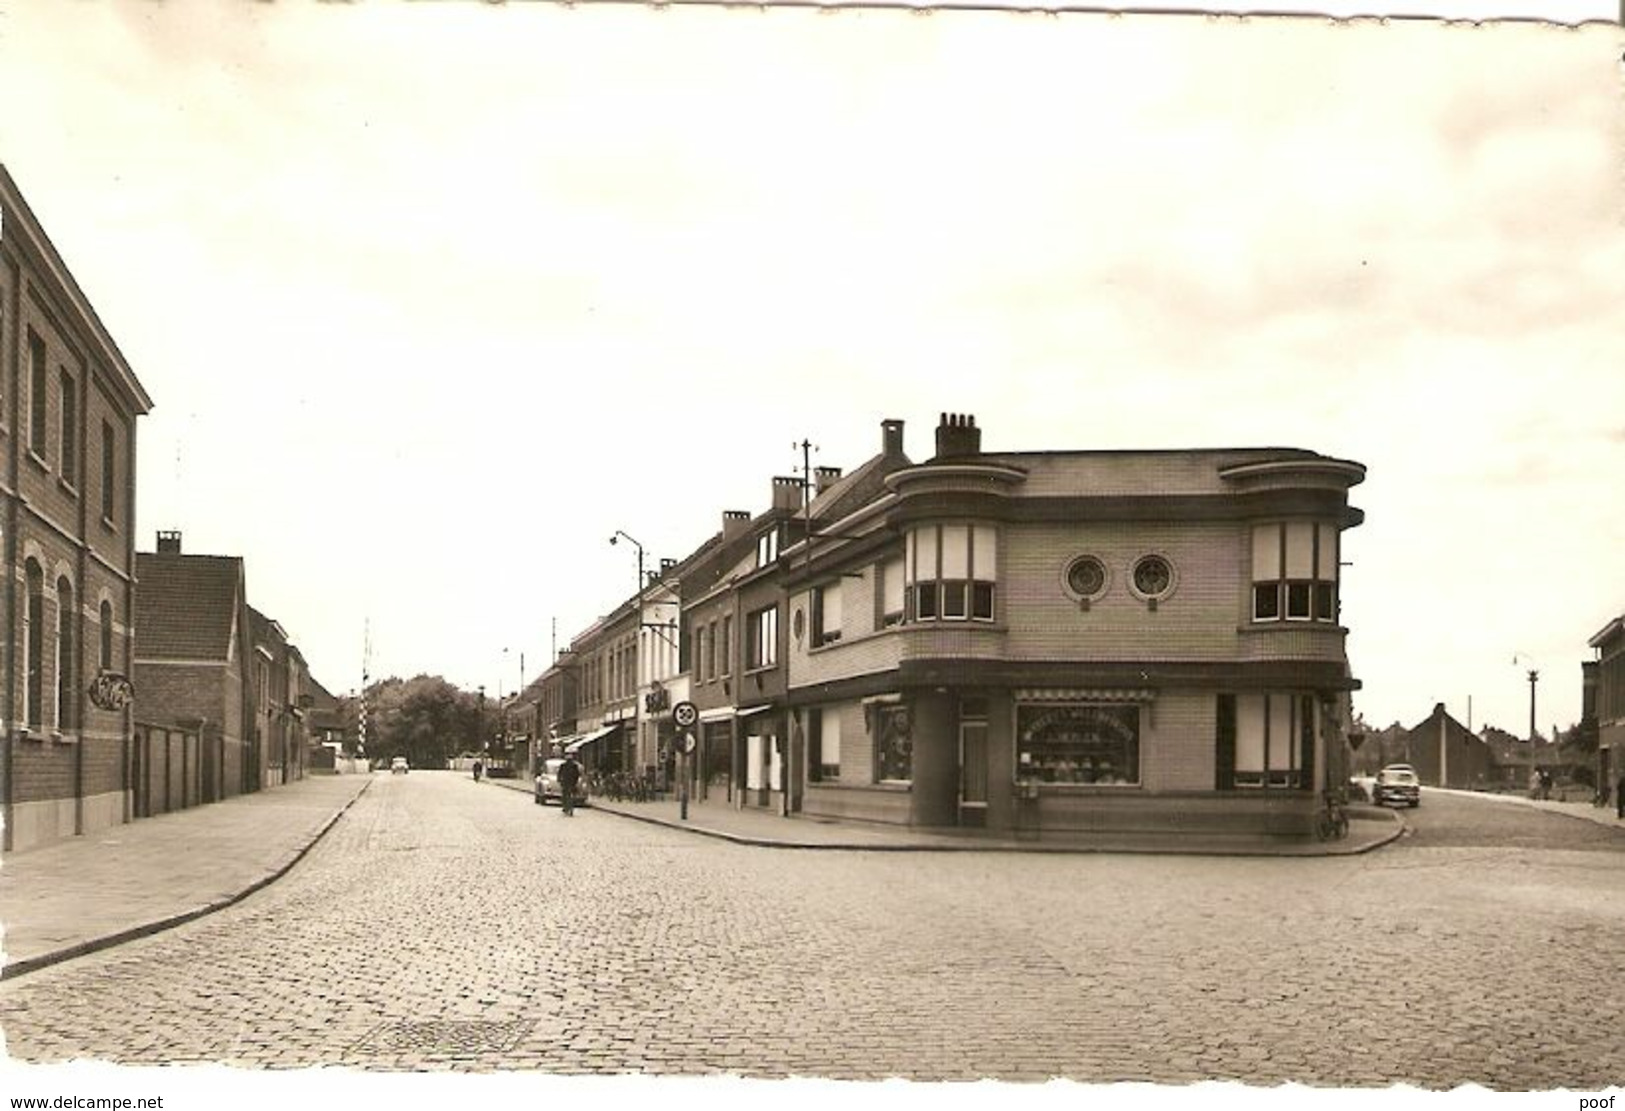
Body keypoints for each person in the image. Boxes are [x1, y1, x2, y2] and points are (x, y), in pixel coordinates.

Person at [558, 752, 582, 817]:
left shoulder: (564, 765)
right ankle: (567, 807)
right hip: (570, 783)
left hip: (568, 783)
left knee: (566, 795)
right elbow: (577, 774)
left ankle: (567, 807)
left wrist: (560, 780)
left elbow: (560, 774)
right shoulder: (573, 766)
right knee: (567, 795)